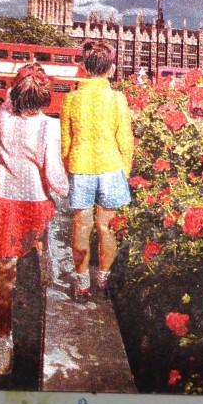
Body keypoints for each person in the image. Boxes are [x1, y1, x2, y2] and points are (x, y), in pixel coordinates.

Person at [0, 66, 68, 376]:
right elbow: (53, 175)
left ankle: (3, 341)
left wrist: (22, 79)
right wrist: (67, 191)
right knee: (39, 249)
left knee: (5, 275)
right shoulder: (50, 127)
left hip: (5, 201)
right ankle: (44, 262)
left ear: (13, 95)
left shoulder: (3, 116)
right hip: (36, 202)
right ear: (46, 97)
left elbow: (5, 99)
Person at [60, 40, 133, 302]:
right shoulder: (117, 99)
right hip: (112, 167)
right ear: (111, 69)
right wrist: (124, 170)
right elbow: (125, 140)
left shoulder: (71, 100)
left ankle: (82, 283)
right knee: (107, 227)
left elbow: (65, 143)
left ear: (82, 67)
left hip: (81, 168)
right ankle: (103, 278)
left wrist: (71, 168)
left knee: (81, 226)